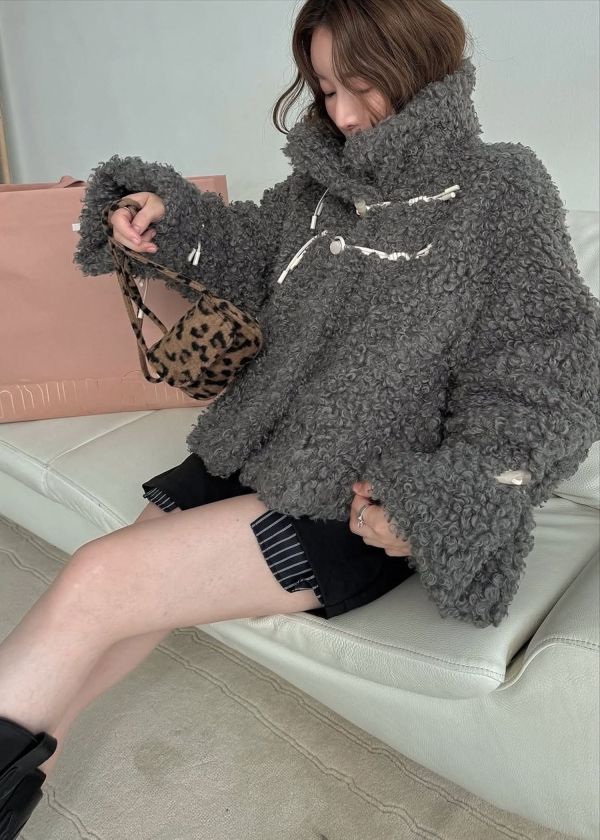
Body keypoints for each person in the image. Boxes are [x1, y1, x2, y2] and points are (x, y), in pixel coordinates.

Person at [1, 0, 598, 835]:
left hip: (354, 499)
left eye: (360, 85)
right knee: (111, 607)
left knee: (98, 579)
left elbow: (547, 367)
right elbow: (255, 253)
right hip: (254, 445)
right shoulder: (322, 183)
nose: (343, 114)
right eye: (324, 89)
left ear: (418, 65)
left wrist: (442, 500)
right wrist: (171, 220)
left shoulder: (501, 188)